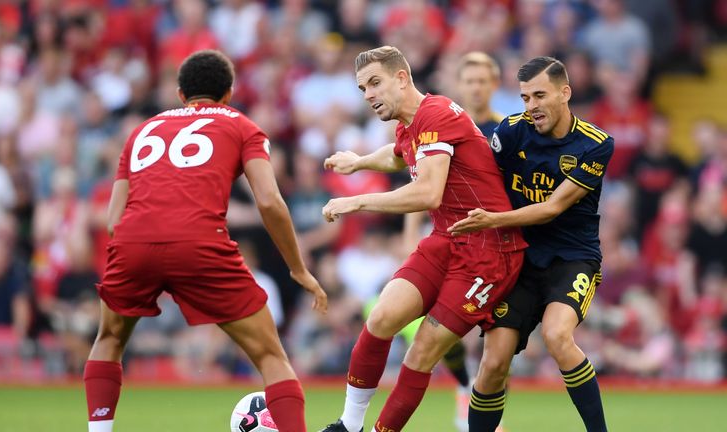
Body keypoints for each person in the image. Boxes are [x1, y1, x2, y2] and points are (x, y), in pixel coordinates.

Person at [83, 50, 327, 432]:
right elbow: (269, 200)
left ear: (181, 95)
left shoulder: (141, 131)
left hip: (133, 242)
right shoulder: (242, 125)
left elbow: (113, 220)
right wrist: (297, 267)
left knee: (109, 339)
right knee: (270, 356)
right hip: (199, 242)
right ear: (228, 94)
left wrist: (152, 260)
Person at [319, 45, 526, 432]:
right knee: (380, 318)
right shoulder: (410, 123)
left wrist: (357, 201)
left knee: (422, 350)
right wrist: (360, 161)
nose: (368, 95)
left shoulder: (434, 114)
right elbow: (399, 155)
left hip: (489, 250)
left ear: (402, 77)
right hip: (447, 239)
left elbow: (428, 193)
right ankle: (349, 426)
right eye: (363, 88)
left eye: (375, 83)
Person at [448, 56, 614, 432]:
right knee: (492, 364)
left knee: (557, 335)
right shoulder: (510, 133)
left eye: (540, 95)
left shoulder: (596, 145)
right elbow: (470, 173)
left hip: (573, 258)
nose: (531, 106)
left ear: (564, 93)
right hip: (518, 260)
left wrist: (493, 220)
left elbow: (552, 208)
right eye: (524, 98)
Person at [400, 51, 506, 432]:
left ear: (494, 85)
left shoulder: (506, 131)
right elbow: (421, 178)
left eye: (483, 80)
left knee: (498, 343)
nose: (476, 87)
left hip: (494, 246)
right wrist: (411, 235)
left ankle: (483, 413)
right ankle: (464, 386)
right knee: (441, 330)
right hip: (448, 241)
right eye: (470, 80)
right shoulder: (437, 123)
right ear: (460, 85)